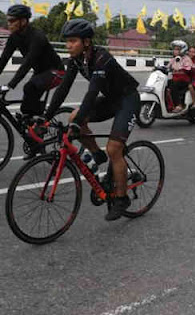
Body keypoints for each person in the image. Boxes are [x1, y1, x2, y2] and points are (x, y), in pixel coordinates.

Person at [44, 19, 140, 221]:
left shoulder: (101, 58)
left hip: (127, 99)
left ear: (86, 42)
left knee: (114, 148)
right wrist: (45, 117)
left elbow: (92, 93)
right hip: (111, 100)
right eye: (67, 41)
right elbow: (62, 90)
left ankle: (122, 199)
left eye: (73, 41)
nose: (69, 45)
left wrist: (78, 124)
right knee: (73, 116)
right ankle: (97, 154)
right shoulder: (77, 60)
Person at [0, 4, 64, 118]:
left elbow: (27, 64)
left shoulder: (37, 37)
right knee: (26, 108)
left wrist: (10, 85)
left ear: (23, 21)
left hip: (56, 72)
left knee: (29, 87)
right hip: (40, 72)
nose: (9, 24)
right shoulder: (14, 37)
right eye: (8, 21)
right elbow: (3, 60)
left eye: (12, 21)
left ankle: (43, 122)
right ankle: (36, 127)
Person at [168, 40, 194, 112]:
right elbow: (168, 66)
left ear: (182, 50)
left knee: (174, 86)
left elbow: (188, 69)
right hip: (175, 78)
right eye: (175, 49)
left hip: (184, 80)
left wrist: (180, 69)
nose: (175, 51)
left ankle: (179, 105)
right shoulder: (174, 59)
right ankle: (169, 105)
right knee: (165, 85)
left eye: (177, 49)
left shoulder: (186, 59)